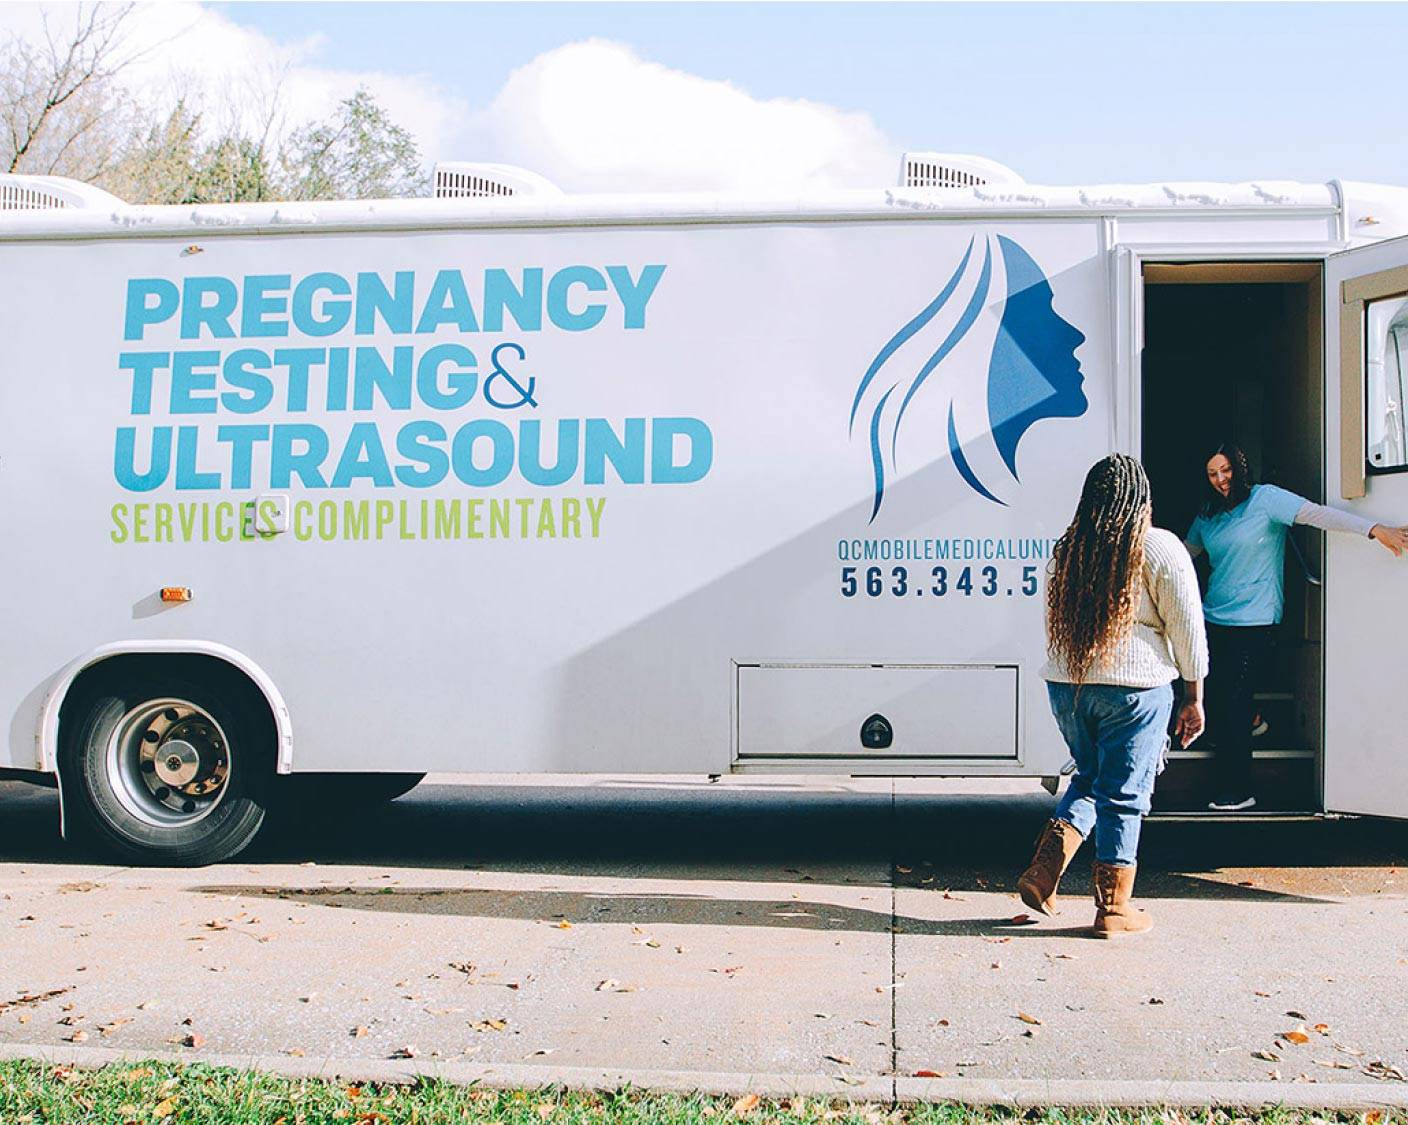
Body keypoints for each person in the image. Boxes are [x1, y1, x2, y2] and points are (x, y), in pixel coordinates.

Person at [1017, 454, 1208, 938]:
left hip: (1069, 687)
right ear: (1141, 498)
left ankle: (1043, 872)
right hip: (1134, 691)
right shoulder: (1159, 548)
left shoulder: (1069, 550)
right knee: (1123, 796)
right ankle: (1113, 910)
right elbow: (1187, 628)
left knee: (1094, 777)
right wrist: (1194, 693)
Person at [1186, 442, 1408, 811]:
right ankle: (1253, 720)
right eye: (1212, 474)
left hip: (1256, 618)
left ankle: (1238, 790)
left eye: (1225, 471)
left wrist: (1374, 529)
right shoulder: (1208, 514)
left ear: (1240, 469)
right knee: (1218, 694)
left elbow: (1319, 515)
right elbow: (1183, 553)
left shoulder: (1266, 500)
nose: (1220, 480)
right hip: (1213, 615)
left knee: (1233, 700)